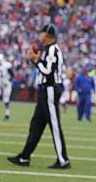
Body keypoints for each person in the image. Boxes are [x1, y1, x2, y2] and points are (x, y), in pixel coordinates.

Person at [8, 24, 70, 169]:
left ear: (47, 35)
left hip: (50, 89)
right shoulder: (48, 49)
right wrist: (36, 61)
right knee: (36, 125)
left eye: (42, 33)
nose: (40, 35)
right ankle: (24, 157)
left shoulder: (53, 50)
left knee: (54, 125)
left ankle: (63, 160)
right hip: (44, 91)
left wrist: (35, 60)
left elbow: (48, 72)